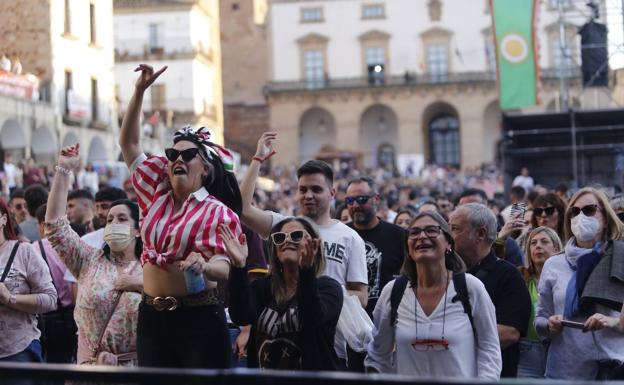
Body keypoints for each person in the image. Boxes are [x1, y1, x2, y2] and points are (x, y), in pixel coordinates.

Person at [119, 64, 243, 369]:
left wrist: (206, 265)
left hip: (197, 319)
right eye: (173, 154)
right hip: (151, 316)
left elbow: (224, 266)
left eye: (189, 155)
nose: (178, 159)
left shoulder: (217, 212)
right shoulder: (154, 195)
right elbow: (129, 144)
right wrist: (139, 92)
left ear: (205, 169)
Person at [239, 132, 367, 366]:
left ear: (332, 193)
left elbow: (362, 295)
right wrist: (257, 159)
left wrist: (329, 295)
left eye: (316, 190)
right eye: (303, 189)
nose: (308, 195)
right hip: (280, 339)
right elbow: (244, 209)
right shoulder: (284, 227)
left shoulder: (350, 237)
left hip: (329, 343)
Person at [365, 211, 501, 379]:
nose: (422, 236)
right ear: (408, 246)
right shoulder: (393, 292)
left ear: (448, 243)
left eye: (431, 230)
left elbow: (489, 349)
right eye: (414, 232)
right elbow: (377, 354)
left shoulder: (471, 288)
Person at [45, 144, 143, 366]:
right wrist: (63, 170)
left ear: (138, 229)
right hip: (90, 368)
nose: (113, 224)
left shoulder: (151, 269)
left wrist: (140, 284)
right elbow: (55, 227)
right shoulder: (89, 260)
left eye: (121, 219)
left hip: (135, 370)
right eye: (109, 220)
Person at [225, 217, 343, 370]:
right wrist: (239, 267)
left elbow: (311, 318)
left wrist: (306, 272)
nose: (287, 240)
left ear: (314, 244)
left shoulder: (329, 288)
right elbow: (240, 316)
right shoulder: (263, 287)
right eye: (280, 238)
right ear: (275, 251)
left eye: (296, 235)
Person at [535, 187, 624, 379]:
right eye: (574, 212)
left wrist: (612, 321)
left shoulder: (621, 258)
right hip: (564, 371)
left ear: (606, 219)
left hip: (611, 370)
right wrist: (549, 325)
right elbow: (540, 318)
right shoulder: (553, 265)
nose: (580, 216)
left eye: (589, 210)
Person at [449, 203, 531, 377]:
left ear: (480, 234)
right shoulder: (446, 274)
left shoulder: (509, 276)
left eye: (455, 229)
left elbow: (510, 332)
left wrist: (450, 336)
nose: (447, 236)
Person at [0, 199, 57, 364]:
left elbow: (50, 299)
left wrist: (10, 298)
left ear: (4, 218)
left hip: (18, 351)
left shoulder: (23, 251)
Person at [345, 177, 405, 316]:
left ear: (376, 199)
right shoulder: (342, 235)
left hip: (388, 319)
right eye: (349, 201)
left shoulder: (398, 235)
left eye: (361, 199)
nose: (355, 205)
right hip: (349, 320)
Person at [33, 204, 78, 364]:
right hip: (74, 314)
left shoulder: (34, 249)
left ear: (42, 225)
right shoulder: (76, 244)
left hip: (49, 317)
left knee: (52, 364)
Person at [516, 227, 563, 378]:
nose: (538, 246)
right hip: (527, 350)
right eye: (533, 243)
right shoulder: (520, 276)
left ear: (556, 247)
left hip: (558, 348)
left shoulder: (567, 277)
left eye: (544, 242)